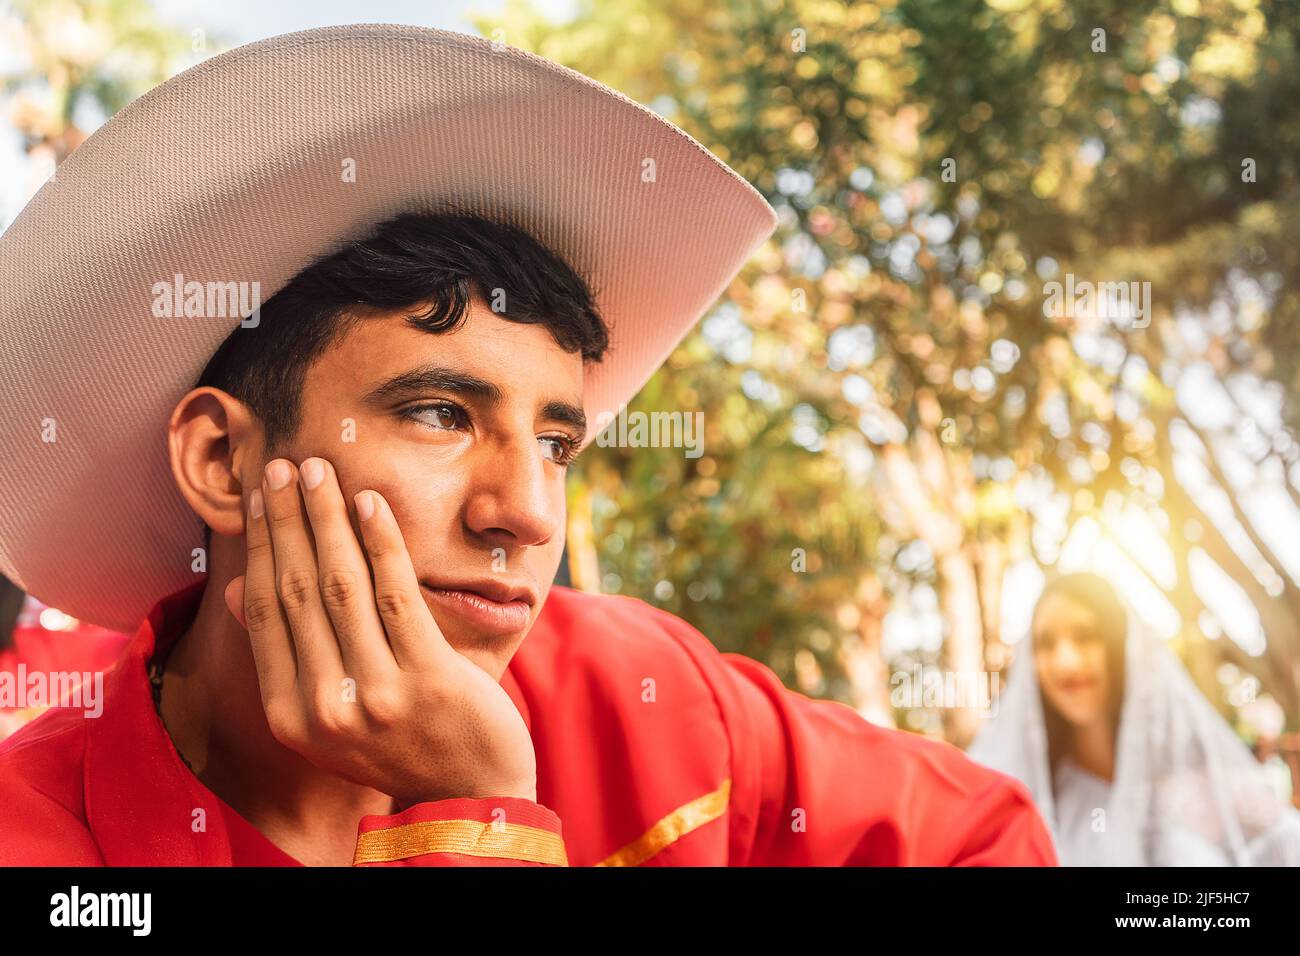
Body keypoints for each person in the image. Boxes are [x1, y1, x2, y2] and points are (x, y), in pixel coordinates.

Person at [0, 24, 1056, 867]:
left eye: (557, 440)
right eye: (441, 414)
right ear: (223, 462)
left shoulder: (640, 694)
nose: (529, 511)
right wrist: (477, 816)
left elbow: (983, 835)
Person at [969, 572, 1300, 865]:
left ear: (1121, 645)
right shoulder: (1021, 795)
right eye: (1046, 643)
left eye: (1085, 636)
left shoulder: (1199, 786)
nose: (1065, 662)